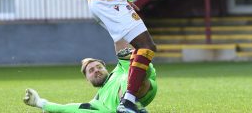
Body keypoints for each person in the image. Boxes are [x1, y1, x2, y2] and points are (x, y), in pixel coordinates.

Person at [23, 48, 157, 113]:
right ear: (87, 79)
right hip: (123, 102)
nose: (96, 70)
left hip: (145, 85)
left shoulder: (118, 70)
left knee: (132, 69)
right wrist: (40, 102)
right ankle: (131, 105)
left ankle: (130, 104)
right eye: (91, 71)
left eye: (99, 67)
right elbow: (68, 108)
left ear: (105, 68)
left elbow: (123, 49)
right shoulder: (96, 102)